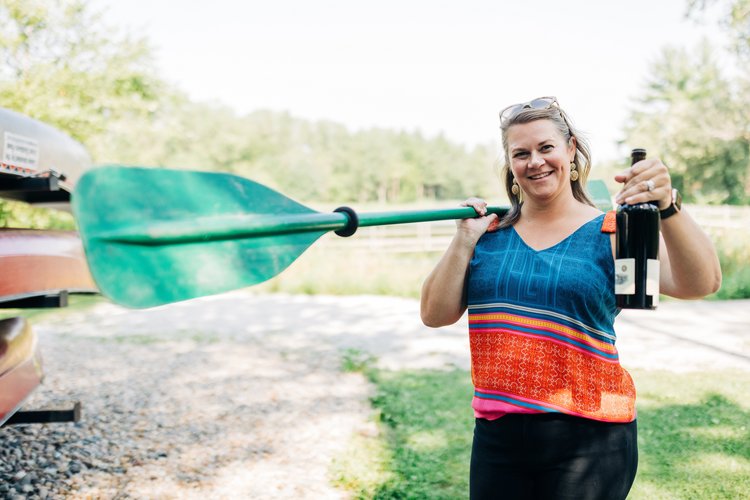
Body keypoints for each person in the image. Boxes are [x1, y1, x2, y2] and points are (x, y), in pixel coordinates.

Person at [420, 96, 722, 500]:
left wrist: (668, 207)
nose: (535, 162)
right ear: (510, 164)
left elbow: (702, 282)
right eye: (521, 153)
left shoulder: (615, 232)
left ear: (571, 150)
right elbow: (434, 314)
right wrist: (463, 240)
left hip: (591, 437)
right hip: (498, 434)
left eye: (546, 147)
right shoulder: (487, 236)